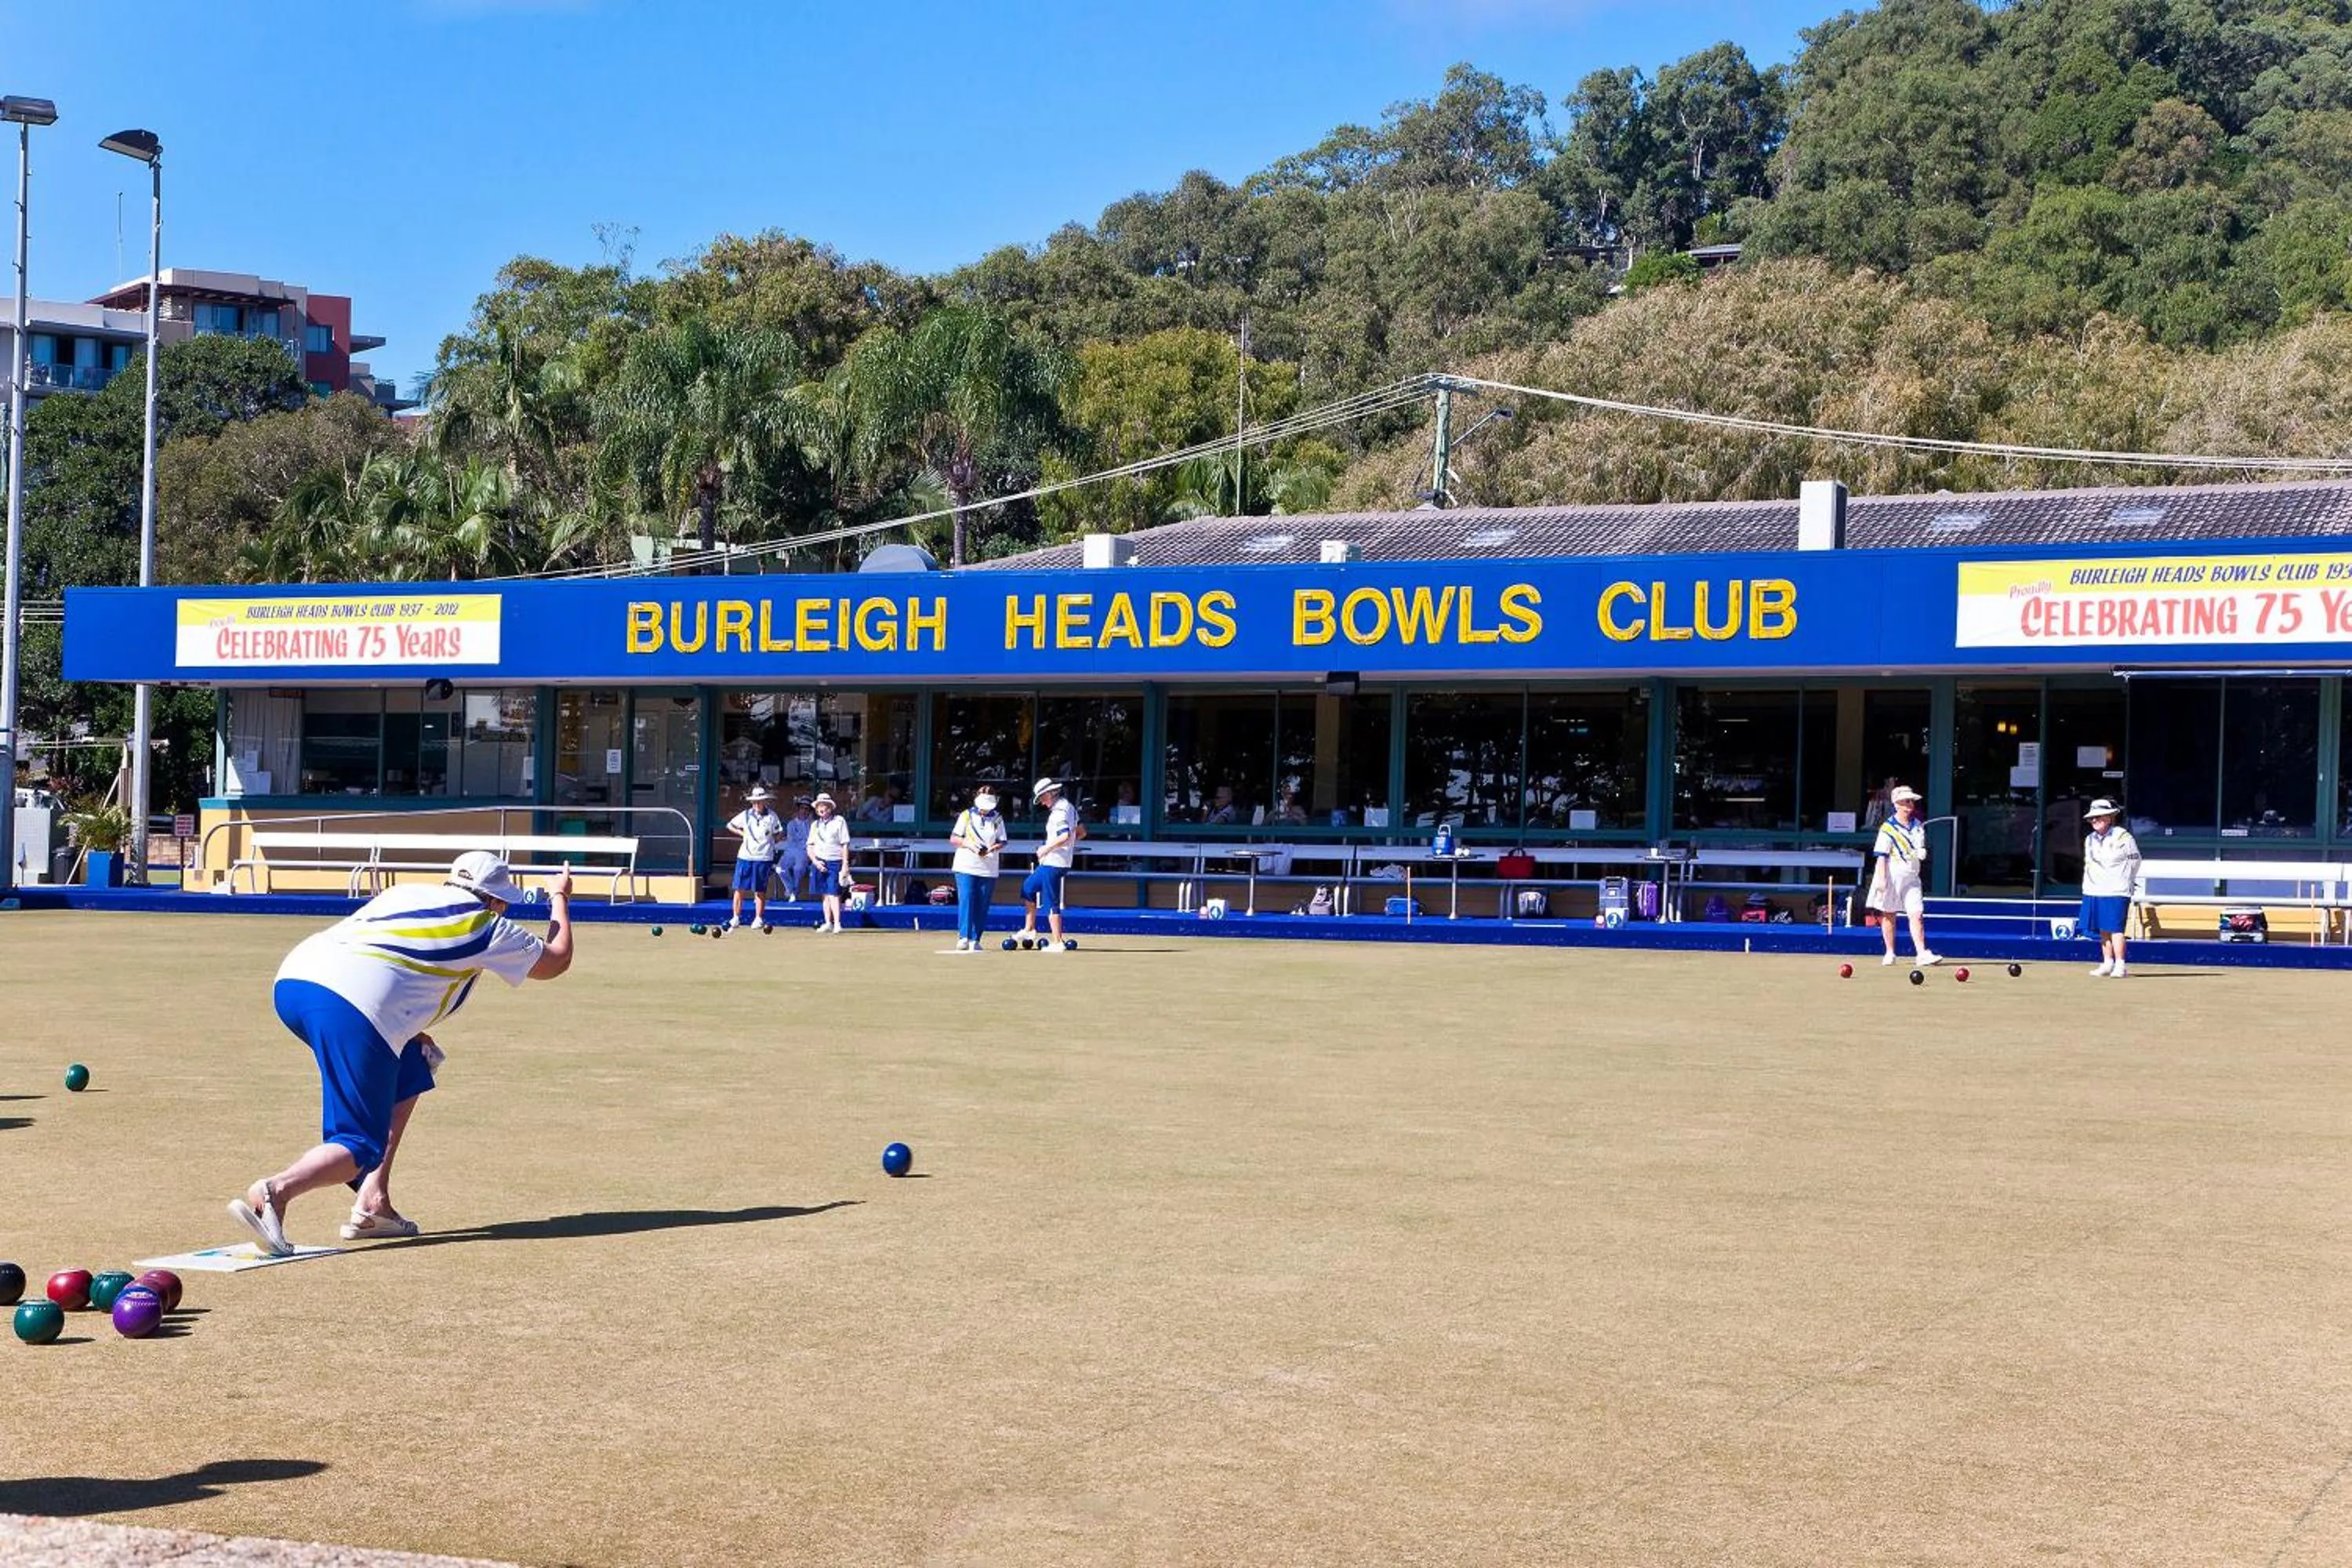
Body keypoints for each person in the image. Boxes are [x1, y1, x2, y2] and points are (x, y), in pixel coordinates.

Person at [231, 852, 575, 1254]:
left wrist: (407, 1031)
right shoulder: (485, 924)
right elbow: (556, 960)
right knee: (359, 1145)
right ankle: (276, 1191)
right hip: (350, 1006)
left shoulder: (407, 893)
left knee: (412, 1065)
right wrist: (560, 897)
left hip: (293, 984)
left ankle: (373, 1203)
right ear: (497, 900)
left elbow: (391, 958)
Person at [1867, 784, 1941, 967]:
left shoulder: (1917, 825)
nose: (1910, 805)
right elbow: (1882, 856)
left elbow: (1918, 847)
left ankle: (1921, 953)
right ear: (1897, 804)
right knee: (1889, 914)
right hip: (1892, 876)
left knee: (1917, 914)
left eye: (1911, 801)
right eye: (1906, 801)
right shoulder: (1887, 828)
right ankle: (1890, 952)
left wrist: (1920, 852)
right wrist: (1882, 879)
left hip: (1912, 877)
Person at [1014, 777, 1083, 951]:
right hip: (1054, 861)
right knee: (1028, 888)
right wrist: (1069, 846)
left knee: (1051, 900)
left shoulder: (1060, 811)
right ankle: (1029, 929)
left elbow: (1064, 836)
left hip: (1054, 862)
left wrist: (1046, 849)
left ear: (1050, 793)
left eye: (1042, 798)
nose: (1042, 802)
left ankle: (1058, 941)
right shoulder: (1069, 807)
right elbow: (1081, 832)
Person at [2080, 797, 2142, 978]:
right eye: (2092, 818)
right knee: (2103, 929)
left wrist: (2124, 880)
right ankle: (2108, 963)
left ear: (2109, 817)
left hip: (2116, 890)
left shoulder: (2123, 837)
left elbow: (2135, 861)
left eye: (2098, 817)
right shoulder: (2089, 839)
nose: (2094, 820)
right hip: (2094, 889)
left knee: (2116, 929)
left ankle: (2120, 965)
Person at [948, 786, 1008, 951]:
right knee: (967, 898)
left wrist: (994, 847)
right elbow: (954, 838)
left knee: (983, 902)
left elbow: (1003, 840)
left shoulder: (997, 818)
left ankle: (976, 938)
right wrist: (969, 844)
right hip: (966, 864)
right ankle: (964, 937)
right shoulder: (966, 815)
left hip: (988, 866)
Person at [725, 786, 782, 930]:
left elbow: (778, 834)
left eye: (760, 801)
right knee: (739, 888)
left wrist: (773, 840)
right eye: (755, 801)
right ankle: (736, 917)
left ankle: (758, 918)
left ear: (765, 802)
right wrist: (742, 834)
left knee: (760, 889)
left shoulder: (772, 816)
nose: (757, 804)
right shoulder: (745, 815)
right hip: (745, 856)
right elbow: (730, 825)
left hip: (763, 857)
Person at [807, 791, 853, 934]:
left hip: (835, 861)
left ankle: (837, 923)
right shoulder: (815, 825)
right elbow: (810, 846)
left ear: (830, 808)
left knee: (834, 893)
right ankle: (828, 923)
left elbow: (845, 844)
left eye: (825, 806)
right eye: (820, 806)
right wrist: (815, 862)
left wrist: (845, 864)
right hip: (820, 862)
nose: (822, 809)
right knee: (825, 894)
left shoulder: (839, 821)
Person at [777, 797, 814, 902]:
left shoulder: (813, 825)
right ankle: (791, 889)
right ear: (798, 810)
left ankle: (795, 892)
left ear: (810, 811)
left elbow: (812, 841)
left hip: (805, 852)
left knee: (798, 869)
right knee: (780, 869)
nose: (804, 811)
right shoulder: (791, 824)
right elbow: (791, 842)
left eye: (807, 809)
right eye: (802, 808)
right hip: (791, 852)